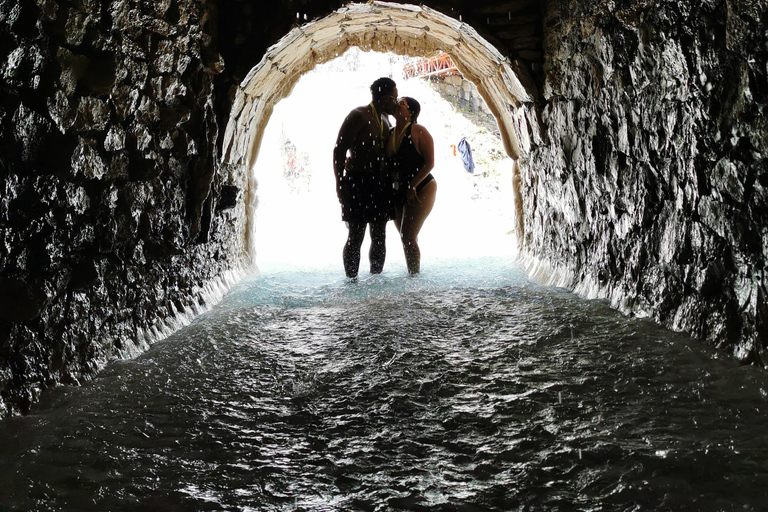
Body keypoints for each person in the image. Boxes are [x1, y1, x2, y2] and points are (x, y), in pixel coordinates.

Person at [333, 77, 399, 278]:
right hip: (358, 181)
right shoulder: (359, 115)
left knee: (379, 235)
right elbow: (339, 150)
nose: (396, 102)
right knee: (356, 235)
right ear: (386, 98)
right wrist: (339, 183)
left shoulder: (387, 119)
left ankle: (375, 279)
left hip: (380, 183)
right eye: (394, 98)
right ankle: (351, 281)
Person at [386, 96, 436, 274]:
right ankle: (412, 273)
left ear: (410, 112)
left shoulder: (418, 130)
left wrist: (413, 185)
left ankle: (415, 279)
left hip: (422, 186)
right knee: (404, 236)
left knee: (408, 235)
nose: (397, 104)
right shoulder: (390, 132)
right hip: (398, 189)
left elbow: (430, 163)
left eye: (402, 103)